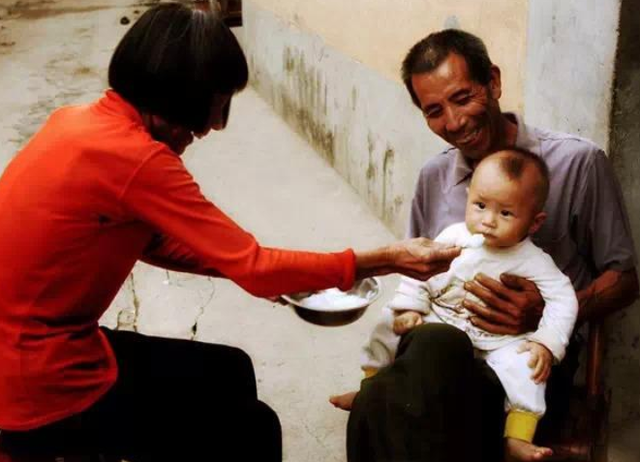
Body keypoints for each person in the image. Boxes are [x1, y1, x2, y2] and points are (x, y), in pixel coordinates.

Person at [0, 5, 461, 461]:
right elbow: (255, 265)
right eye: (219, 103)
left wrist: (272, 274)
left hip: (34, 350)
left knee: (230, 369)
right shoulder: (137, 158)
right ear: (186, 94)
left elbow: (156, 242)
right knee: (252, 428)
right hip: (39, 384)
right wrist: (385, 258)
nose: (217, 125)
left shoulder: (78, 122)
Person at [340, 29, 638, 462]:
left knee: (388, 405)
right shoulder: (434, 177)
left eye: (463, 98)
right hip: (437, 349)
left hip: (522, 363)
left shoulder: (577, 164)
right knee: (420, 363)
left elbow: (625, 279)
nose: (454, 122)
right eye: (434, 111)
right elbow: (417, 279)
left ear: (494, 82)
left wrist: (546, 315)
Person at [332, 148, 579, 461]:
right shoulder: (454, 236)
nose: (488, 221)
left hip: (495, 344)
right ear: (468, 198)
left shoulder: (533, 261)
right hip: (440, 321)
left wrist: (546, 342)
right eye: (479, 206)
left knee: (526, 371)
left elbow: (563, 298)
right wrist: (411, 307)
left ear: (534, 222)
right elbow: (421, 274)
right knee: (387, 323)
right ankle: (368, 385)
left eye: (505, 213)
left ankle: (517, 436)